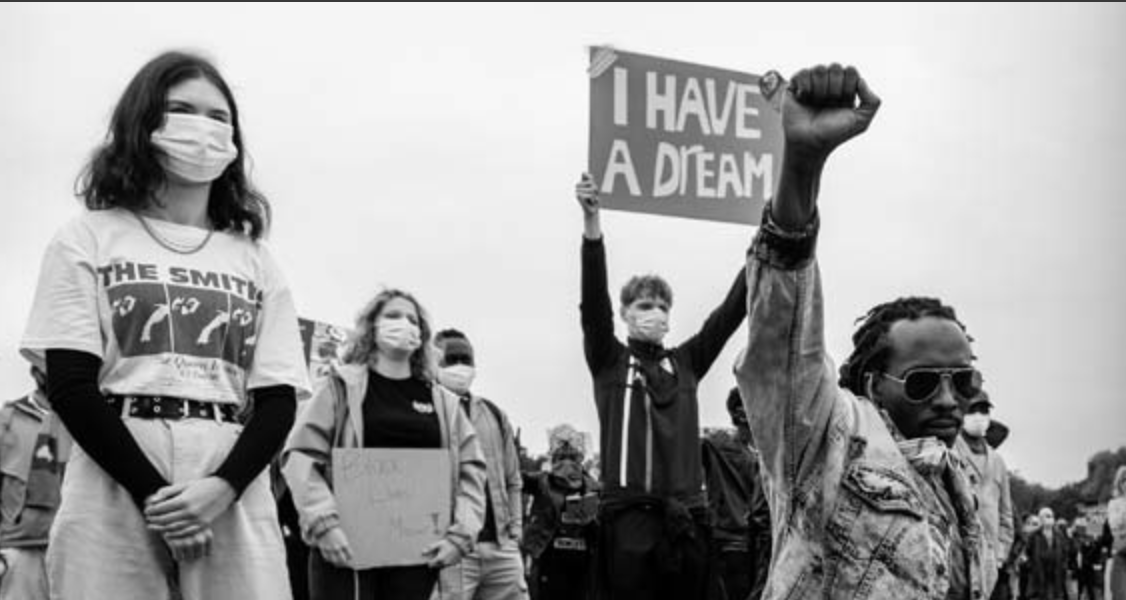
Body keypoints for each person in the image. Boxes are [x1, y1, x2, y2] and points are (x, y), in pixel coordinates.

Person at [19, 50, 311, 599]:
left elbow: (278, 399)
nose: (203, 127)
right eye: (182, 109)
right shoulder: (88, 237)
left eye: (218, 116)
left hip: (228, 473)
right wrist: (156, 497)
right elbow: (71, 384)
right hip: (115, 469)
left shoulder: (253, 259)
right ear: (144, 121)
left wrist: (221, 488)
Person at [733, 63, 997, 599]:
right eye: (923, 382)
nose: (950, 400)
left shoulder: (962, 481)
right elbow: (781, 344)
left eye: (964, 381)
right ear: (875, 385)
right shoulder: (826, 442)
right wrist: (802, 166)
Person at [574, 165, 747, 599]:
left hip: (688, 521)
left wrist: (762, 248)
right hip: (628, 524)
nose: (655, 313)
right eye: (644, 305)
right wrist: (592, 225)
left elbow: (728, 315)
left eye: (662, 306)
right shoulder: (609, 360)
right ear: (625, 314)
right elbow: (593, 305)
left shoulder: (686, 362)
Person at [282, 289, 487, 600]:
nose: (404, 324)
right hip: (344, 551)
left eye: (412, 320)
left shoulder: (444, 403)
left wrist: (461, 536)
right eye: (393, 316)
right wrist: (324, 524)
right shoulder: (340, 387)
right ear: (372, 327)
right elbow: (301, 455)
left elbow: (472, 470)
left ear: (422, 335)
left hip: (417, 554)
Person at [433, 328, 527, 600]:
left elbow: (513, 479)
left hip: (501, 547)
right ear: (434, 363)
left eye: (465, 359)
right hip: (452, 548)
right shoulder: (424, 411)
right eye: (451, 359)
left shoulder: (494, 414)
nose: (459, 365)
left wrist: (515, 530)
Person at [0, 366, 69, 600]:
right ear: (35, 371)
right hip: (18, 550)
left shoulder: (89, 421)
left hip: (75, 551)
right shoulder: (8, 418)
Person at [700, 387, 770, 600]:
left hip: (743, 543)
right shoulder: (719, 445)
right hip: (737, 543)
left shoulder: (716, 443)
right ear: (742, 413)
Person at [521, 425, 600, 600]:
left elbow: (603, 525)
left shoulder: (593, 487)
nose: (567, 463)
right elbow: (515, 478)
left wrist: (591, 520)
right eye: (562, 457)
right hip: (548, 559)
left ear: (580, 459)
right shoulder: (541, 481)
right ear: (554, 459)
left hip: (582, 563)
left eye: (572, 457)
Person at [956, 391, 1016, 600]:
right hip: (959, 554)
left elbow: (1006, 513)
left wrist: (1001, 554)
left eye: (983, 411)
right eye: (973, 410)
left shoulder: (997, 461)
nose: (979, 416)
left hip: (991, 558)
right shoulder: (951, 450)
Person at [1027, 508, 1070, 600]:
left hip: (1055, 575)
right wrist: (1032, 566)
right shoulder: (1033, 535)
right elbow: (1028, 552)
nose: (1050, 518)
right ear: (1041, 518)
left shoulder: (1059, 535)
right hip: (1039, 575)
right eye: (1047, 516)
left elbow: (1065, 552)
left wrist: (1064, 566)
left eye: (1051, 516)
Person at [1104, 467, 1126, 600]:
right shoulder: (1114, 503)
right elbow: (1115, 527)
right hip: (1121, 553)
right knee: (1119, 594)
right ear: (1120, 483)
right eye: (1124, 480)